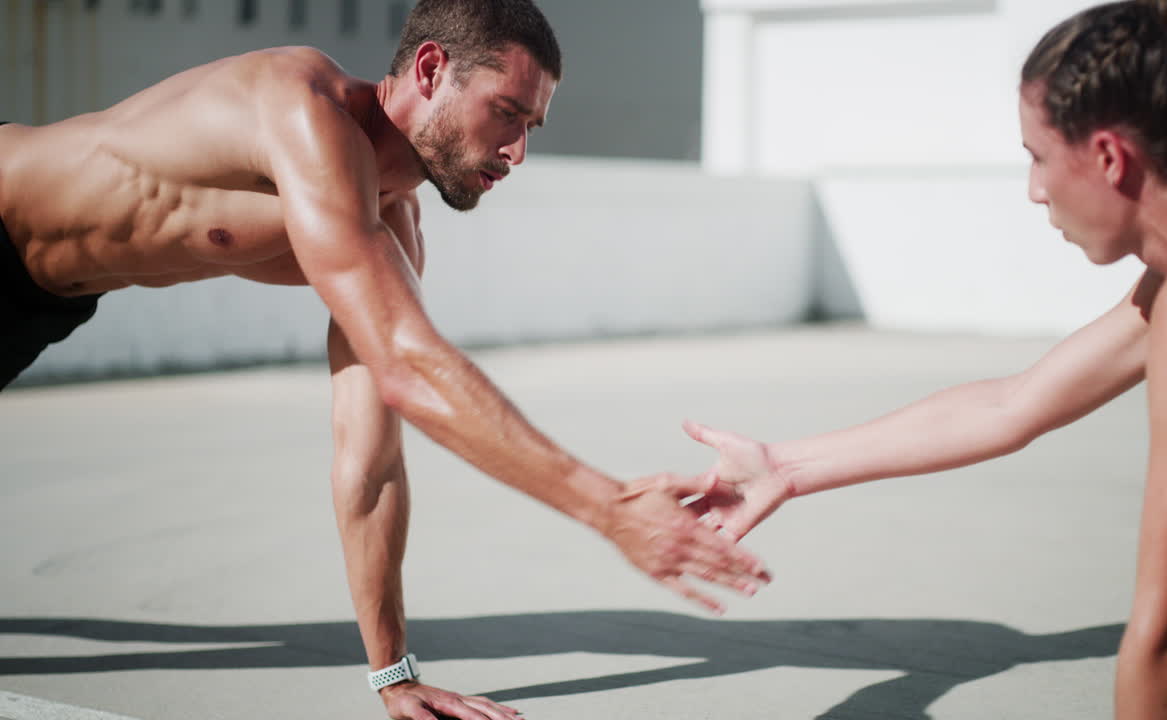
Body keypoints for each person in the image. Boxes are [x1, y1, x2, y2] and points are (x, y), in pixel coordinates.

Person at [0, 1, 770, 719]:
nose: (518, 151)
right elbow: (410, 364)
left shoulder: (391, 227)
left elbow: (371, 462)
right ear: (431, 71)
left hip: (45, 302)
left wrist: (392, 673)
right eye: (506, 112)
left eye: (532, 124)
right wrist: (608, 506)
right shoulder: (299, 109)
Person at [667, 0, 1167, 717]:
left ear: (1110, 156)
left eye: (1039, 157)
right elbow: (1010, 405)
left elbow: (1166, 637)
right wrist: (784, 465)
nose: (1034, 192)